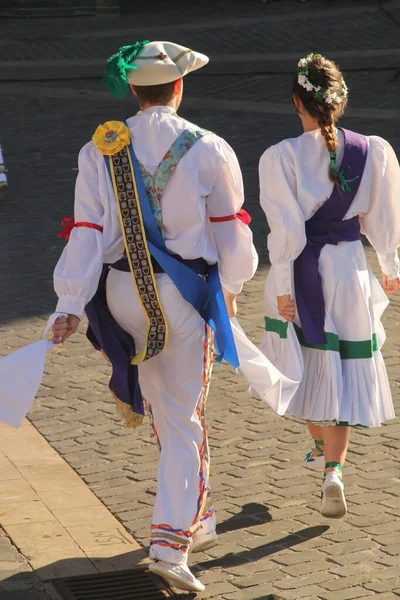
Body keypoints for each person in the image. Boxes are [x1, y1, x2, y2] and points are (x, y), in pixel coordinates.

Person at [51, 40, 258, 592]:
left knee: (170, 412)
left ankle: (200, 512)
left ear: (134, 92)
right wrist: (232, 290)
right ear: (180, 87)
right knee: (184, 416)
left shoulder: (100, 148)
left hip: (121, 294)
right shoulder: (210, 147)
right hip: (183, 296)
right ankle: (171, 542)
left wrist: (70, 303)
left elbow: (89, 231)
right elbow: (231, 234)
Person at [259, 53, 400, 519]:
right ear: (339, 101)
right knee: (341, 365)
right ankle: (333, 470)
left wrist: (281, 283)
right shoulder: (372, 149)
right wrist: (390, 262)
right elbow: (383, 218)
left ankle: (321, 452)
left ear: (296, 101)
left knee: (313, 365)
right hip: (349, 270)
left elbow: (286, 233)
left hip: (305, 270)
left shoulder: (280, 157)